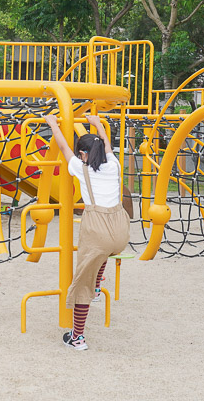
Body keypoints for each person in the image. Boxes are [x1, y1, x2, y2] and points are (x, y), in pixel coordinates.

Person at [44, 113, 130, 351]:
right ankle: (98, 282)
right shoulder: (114, 164)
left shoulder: (81, 168)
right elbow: (107, 143)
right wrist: (97, 124)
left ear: (83, 154)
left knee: (82, 285)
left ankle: (78, 337)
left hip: (98, 230)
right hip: (121, 232)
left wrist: (53, 124)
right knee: (104, 253)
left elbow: (62, 146)